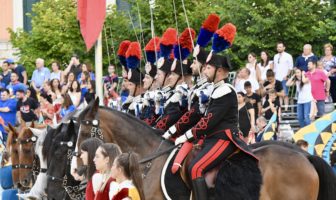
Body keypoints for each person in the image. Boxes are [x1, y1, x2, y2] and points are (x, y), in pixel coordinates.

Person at [173, 54, 258, 200]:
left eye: (208, 68)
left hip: (224, 138)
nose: (204, 71)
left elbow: (208, 122)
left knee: (196, 168)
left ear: (219, 71)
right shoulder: (215, 89)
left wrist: (185, 136)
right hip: (212, 139)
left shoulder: (225, 90)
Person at [273, 42, 293, 111]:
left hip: (284, 78)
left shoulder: (288, 56)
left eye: (280, 47)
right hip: (277, 78)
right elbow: (275, 68)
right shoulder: (275, 56)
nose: (279, 48)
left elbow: (290, 67)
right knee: (279, 94)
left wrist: (287, 75)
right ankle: (280, 109)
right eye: (278, 47)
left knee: (285, 94)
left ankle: (286, 109)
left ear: (284, 48)